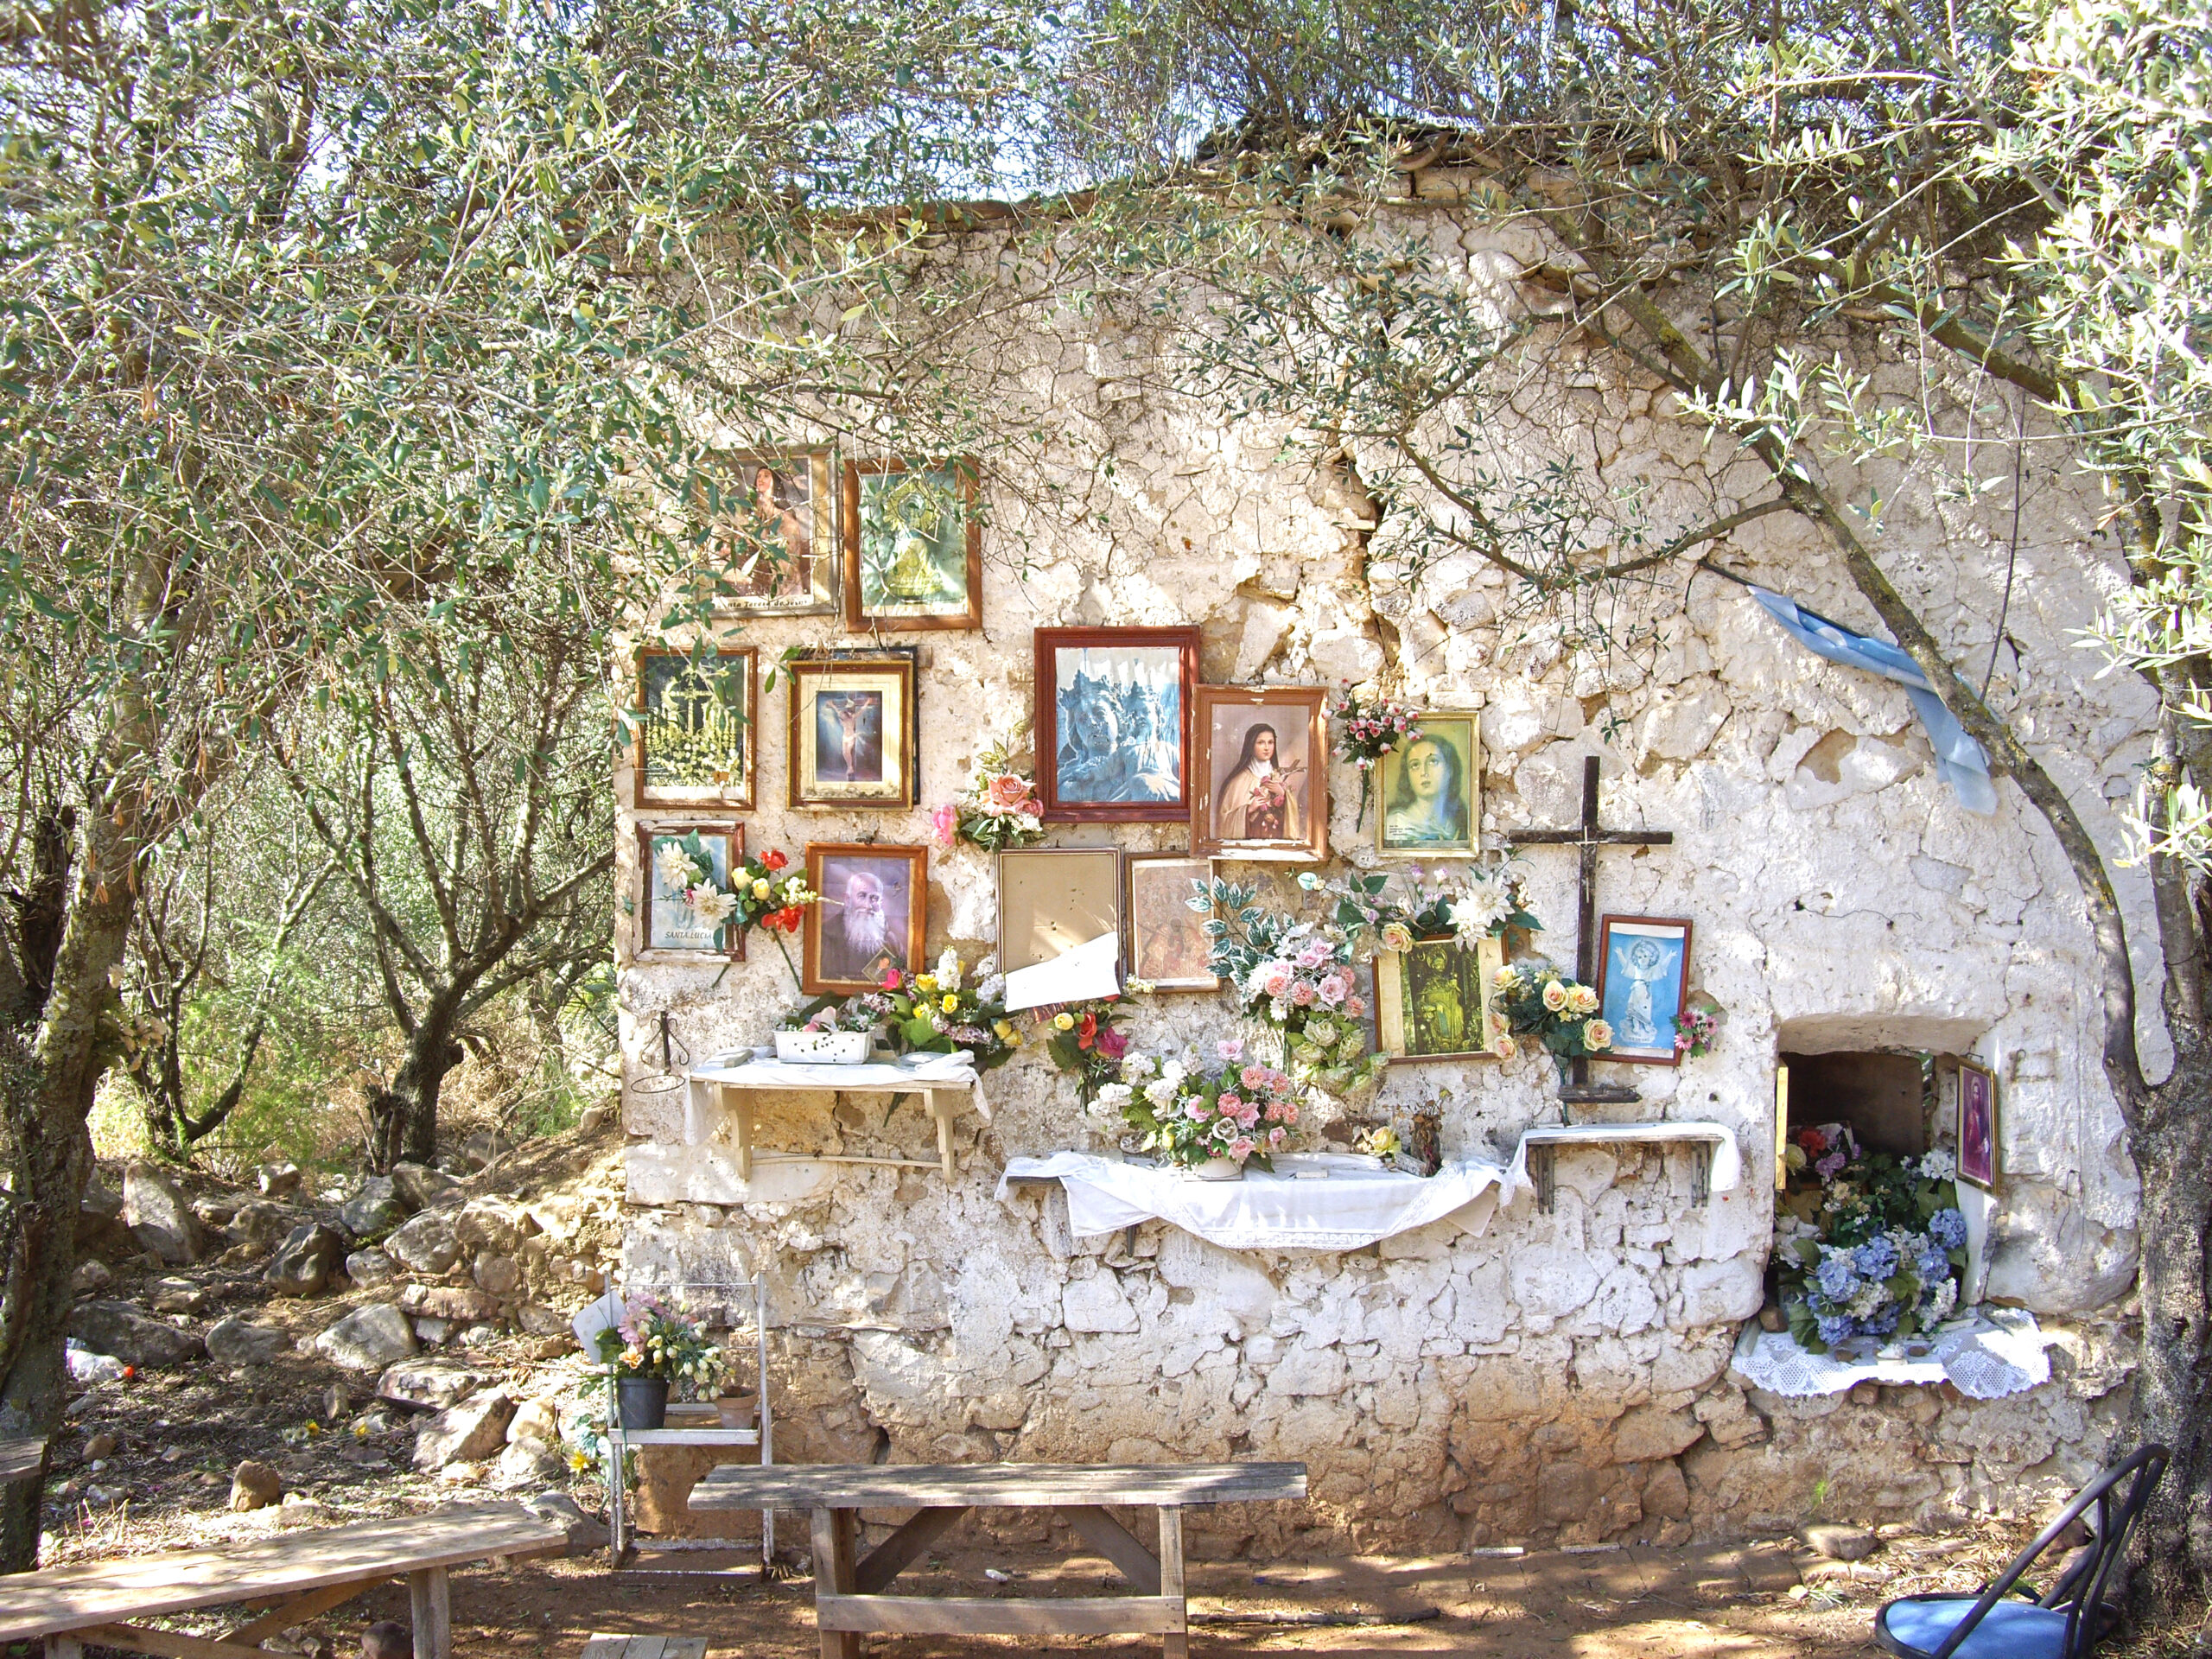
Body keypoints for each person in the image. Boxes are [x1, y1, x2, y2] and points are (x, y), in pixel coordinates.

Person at [1216, 723, 1304, 842]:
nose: (1267, 748)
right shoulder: (1237, 783)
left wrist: (1283, 794)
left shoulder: (1279, 778)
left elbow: (1292, 820)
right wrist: (1248, 809)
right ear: (1251, 745)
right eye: (1261, 743)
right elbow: (1224, 821)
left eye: (1270, 742)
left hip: (1277, 843)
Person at [1382, 733, 1470, 847]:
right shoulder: (1396, 823)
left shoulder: (1458, 824)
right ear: (1407, 775)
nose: (1424, 772)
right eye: (1415, 765)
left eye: (1433, 761)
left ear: (1450, 769)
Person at [820, 868, 905, 982]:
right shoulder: (827, 935)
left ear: (881, 902)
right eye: (862, 896)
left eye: (874, 898)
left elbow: (904, 977)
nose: (868, 905)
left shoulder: (891, 941)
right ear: (847, 899)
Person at [1615, 938, 1669, 1047]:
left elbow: (1662, 967)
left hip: (1646, 992)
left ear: (1651, 958)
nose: (1643, 959)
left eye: (1645, 956)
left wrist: (1669, 957)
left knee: (1645, 1010)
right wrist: (1620, 954)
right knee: (1635, 1009)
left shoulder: (1651, 970)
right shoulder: (1635, 969)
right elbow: (1625, 965)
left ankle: (1646, 1025)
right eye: (1640, 957)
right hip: (1636, 991)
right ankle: (1636, 1026)